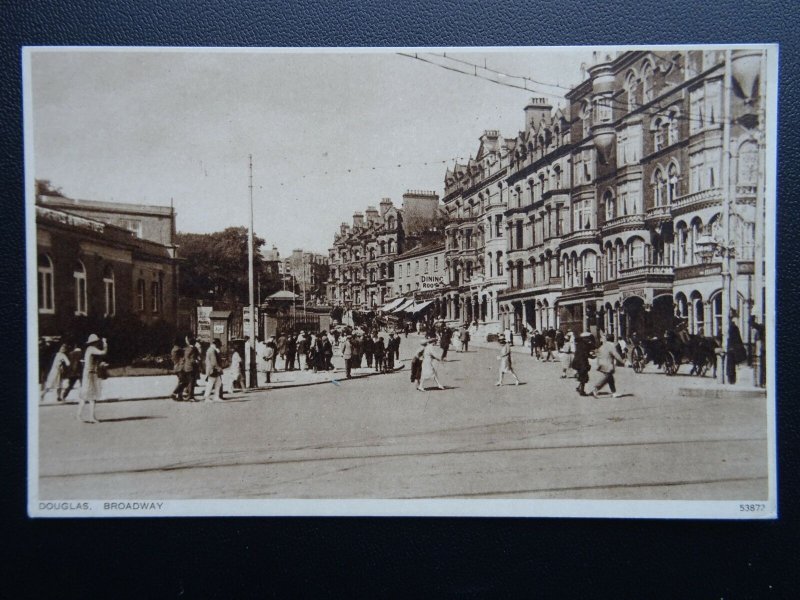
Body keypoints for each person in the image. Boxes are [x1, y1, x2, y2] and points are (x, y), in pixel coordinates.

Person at [76, 334, 107, 423]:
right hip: (89, 374)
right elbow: (103, 352)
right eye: (97, 342)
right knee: (91, 396)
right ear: (95, 342)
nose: (98, 343)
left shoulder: (90, 349)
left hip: (90, 374)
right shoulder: (91, 349)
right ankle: (90, 416)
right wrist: (105, 344)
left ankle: (81, 415)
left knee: (86, 396)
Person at [589, 333, 625, 398]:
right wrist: (623, 362)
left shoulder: (603, 345)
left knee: (610, 378)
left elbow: (598, 353)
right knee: (607, 377)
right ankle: (596, 388)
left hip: (601, 363)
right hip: (608, 364)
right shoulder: (611, 346)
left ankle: (614, 392)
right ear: (613, 339)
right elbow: (616, 355)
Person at [727, 313, 746, 384]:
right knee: (731, 364)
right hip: (733, 348)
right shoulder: (734, 328)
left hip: (730, 348)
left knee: (730, 364)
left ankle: (731, 378)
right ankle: (731, 379)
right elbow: (736, 339)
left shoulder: (731, 327)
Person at [203, 338, 224, 402]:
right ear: (216, 344)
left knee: (218, 383)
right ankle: (207, 397)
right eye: (219, 344)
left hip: (213, 369)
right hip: (213, 370)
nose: (219, 345)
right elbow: (214, 362)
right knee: (210, 383)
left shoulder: (211, 349)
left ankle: (216, 397)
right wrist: (219, 368)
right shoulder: (212, 350)